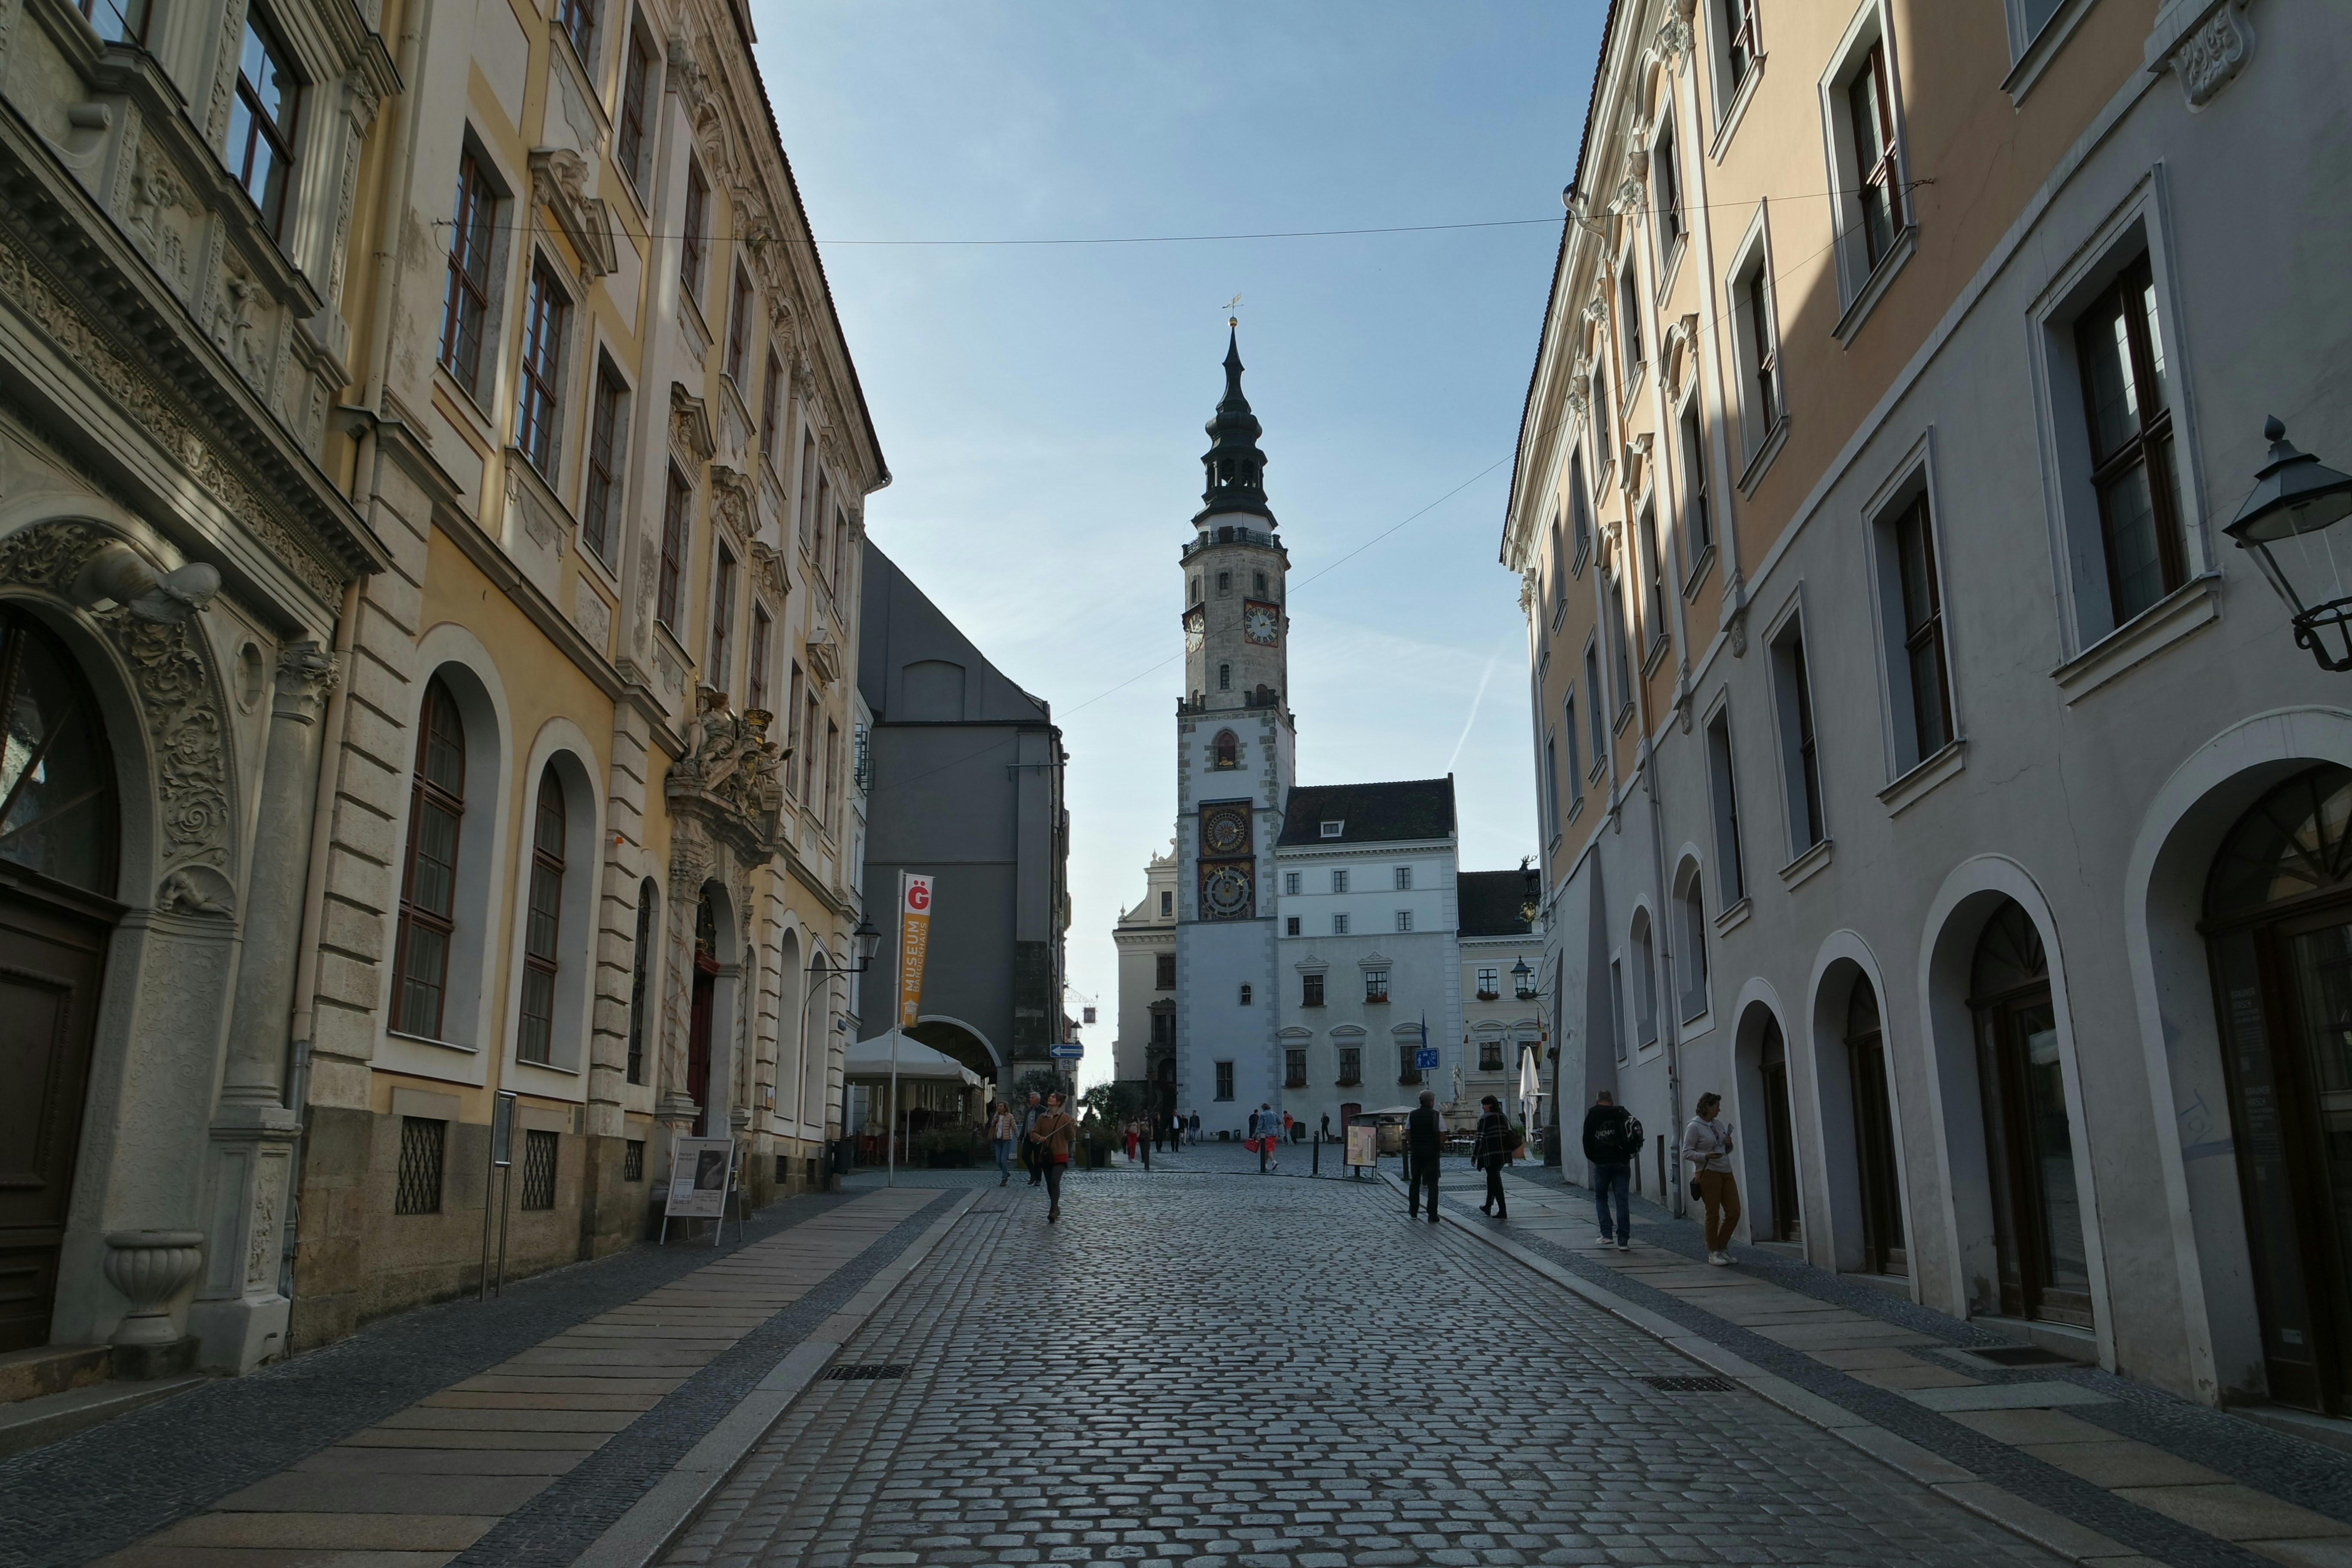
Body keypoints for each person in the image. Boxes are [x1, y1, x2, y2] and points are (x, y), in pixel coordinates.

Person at [1684, 1093, 1742, 1265]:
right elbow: (1686, 1152)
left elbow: (1725, 1150)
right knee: (1713, 1214)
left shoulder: (1718, 1124)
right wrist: (1705, 1156)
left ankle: (1722, 1247)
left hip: (1726, 1170)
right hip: (1708, 1172)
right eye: (1717, 1106)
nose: (1719, 1109)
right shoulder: (1694, 1126)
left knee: (1734, 1211)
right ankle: (1714, 1252)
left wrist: (1729, 1144)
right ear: (1708, 1106)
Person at [1582, 1090, 1636, 1251]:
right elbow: (1633, 1132)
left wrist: (1595, 1158)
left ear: (1598, 1101)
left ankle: (1606, 1235)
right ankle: (1623, 1241)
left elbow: (1586, 1142)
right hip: (1622, 1162)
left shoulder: (1592, 1116)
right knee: (1622, 1201)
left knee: (1601, 1198)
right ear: (1612, 1101)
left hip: (1602, 1163)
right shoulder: (1621, 1113)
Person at [1027, 1091, 1077, 1222]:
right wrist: (1040, 1138)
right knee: (1050, 1184)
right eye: (1050, 1096)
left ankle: (1053, 1209)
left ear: (1059, 1102)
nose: (1050, 1098)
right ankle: (1056, 1207)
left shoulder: (1065, 1117)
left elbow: (1071, 1137)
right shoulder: (1042, 1118)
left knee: (1055, 1181)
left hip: (1060, 1154)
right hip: (1046, 1155)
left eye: (1053, 1097)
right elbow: (1033, 1134)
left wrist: (1071, 1126)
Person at [1474, 1094, 1515, 1219]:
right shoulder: (1503, 1117)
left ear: (1490, 1105)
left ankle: (1503, 1210)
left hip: (1489, 1154)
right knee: (1492, 1178)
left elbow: (1480, 1138)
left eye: (1484, 1105)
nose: (1483, 1108)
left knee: (1495, 1181)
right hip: (1503, 1153)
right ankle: (1488, 1206)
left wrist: (1474, 1156)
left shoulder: (1485, 1119)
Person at [1406, 1090, 1443, 1221]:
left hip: (1417, 1153)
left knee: (1415, 1182)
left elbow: (1408, 1131)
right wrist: (1439, 1146)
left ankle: (1413, 1210)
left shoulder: (1412, 1115)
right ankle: (1432, 1214)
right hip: (1432, 1153)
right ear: (1431, 1101)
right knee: (1433, 1184)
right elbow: (1442, 1133)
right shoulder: (1437, 1115)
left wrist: (1413, 1145)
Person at [1018, 1092, 1045, 1187]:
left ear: (1038, 1100)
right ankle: (1033, 1173)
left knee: (1038, 1159)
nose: (1030, 1099)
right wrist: (1021, 1137)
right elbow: (1025, 1124)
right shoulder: (1029, 1111)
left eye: (1032, 1098)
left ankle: (1038, 1179)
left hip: (1038, 1137)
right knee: (1025, 1155)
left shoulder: (1043, 1111)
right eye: (1030, 1098)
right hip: (1028, 1136)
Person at [989, 1099, 1017, 1187]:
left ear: (1005, 1108)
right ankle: (1006, 1172)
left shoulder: (1010, 1116)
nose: (999, 1108)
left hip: (1007, 1140)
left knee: (1003, 1160)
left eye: (1001, 1106)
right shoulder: (996, 1116)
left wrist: (1019, 1137)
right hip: (998, 1140)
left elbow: (1014, 1127)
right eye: (999, 1106)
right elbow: (992, 1125)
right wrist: (995, 1118)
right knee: (998, 1161)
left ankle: (1004, 1178)